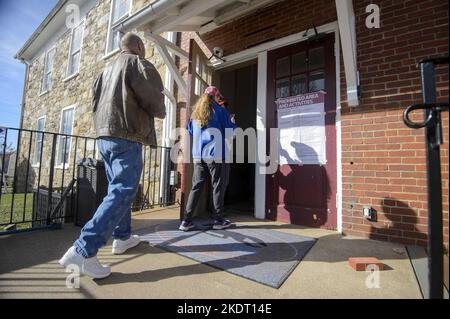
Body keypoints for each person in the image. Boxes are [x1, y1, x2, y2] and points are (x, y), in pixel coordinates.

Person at [59, 33, 166, 279]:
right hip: (126, 135)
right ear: (139, 46)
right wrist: (160, 108)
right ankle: (83, 250)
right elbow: (154, 101)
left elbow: (94, 103)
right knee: (123, 191)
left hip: (104, 136)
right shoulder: (137, 63)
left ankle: (123, 237)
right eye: (144, 47)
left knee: (117, 190)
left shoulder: (104, 70)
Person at [179, 86, 236, 231]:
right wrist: (232, 121)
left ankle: (186, 221)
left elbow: (190, 131)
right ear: (216, 97)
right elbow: (231, 133)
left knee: (196, 187)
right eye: (219, 97)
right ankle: (218, 220)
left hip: (198, 155)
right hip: (215, 154)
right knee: (218, 186)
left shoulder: (195, 113)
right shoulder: (221, 111)